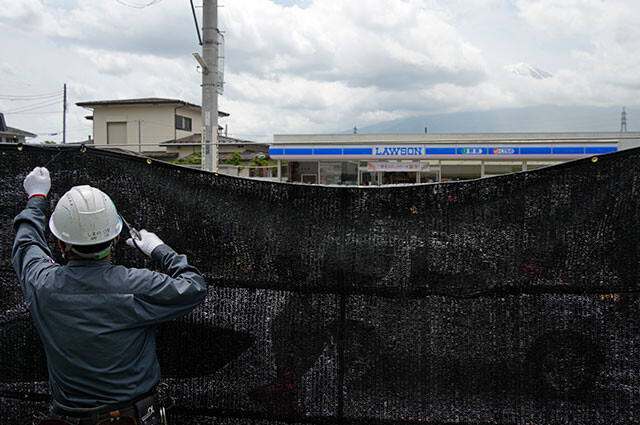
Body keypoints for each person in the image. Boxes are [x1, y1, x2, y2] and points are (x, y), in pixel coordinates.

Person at [12, 167, 207, 425]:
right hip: (133, 417)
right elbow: (194, 286)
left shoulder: (42, 283)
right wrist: (158, 249)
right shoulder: (138, 285)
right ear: (116, 238)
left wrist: (36, 197)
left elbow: (27, 244)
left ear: (59, 243)